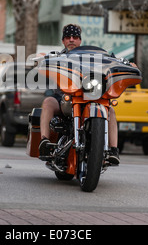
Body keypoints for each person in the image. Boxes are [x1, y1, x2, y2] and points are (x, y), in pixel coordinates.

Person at [38, 23, 124, 165]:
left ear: (80, 40)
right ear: (63, 41)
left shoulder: (93, 57)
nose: (71, 39)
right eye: (68, 37)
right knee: (48, 102)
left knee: (111, 111)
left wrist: (126, 63)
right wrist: (43, 61)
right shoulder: (58, 57)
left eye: (75, 37)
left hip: (90, 97)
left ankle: (113, 150)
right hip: (64, 99)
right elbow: (43, 62)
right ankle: (44, 142)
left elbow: (109, 63)